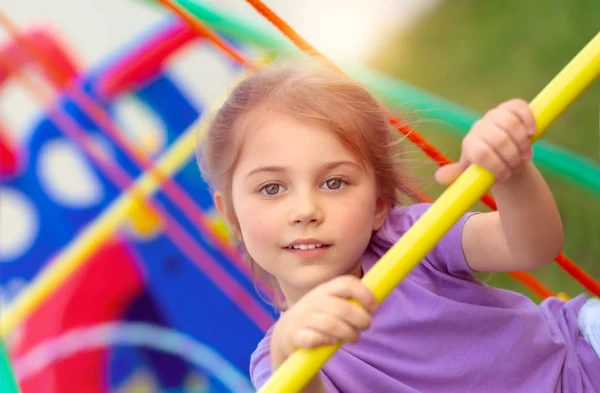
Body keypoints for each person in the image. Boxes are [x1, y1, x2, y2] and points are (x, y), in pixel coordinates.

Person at [198, 61, 600, 392]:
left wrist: (510, 173)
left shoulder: (406, 238)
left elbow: (531, 246)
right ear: (231, 214)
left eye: (334, 182)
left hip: (578, 364)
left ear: (377, 204)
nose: (305, 210)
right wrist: (291, 349)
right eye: (271, 188)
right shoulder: (276, 363)